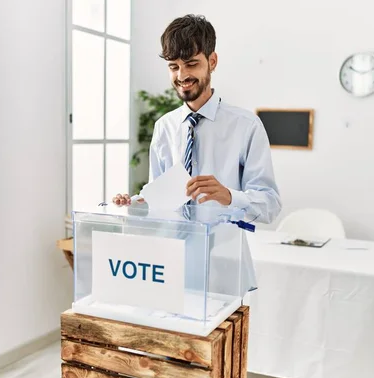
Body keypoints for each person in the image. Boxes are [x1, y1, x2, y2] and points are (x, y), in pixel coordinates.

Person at [113, 14, 281, 224]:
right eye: (173, 67)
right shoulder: (164, 127)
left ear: (212, 61)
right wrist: (134, 204)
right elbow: (158, 202)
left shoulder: (247, 126)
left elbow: (270, 206)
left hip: (224, 253)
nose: (182, 76)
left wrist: (228, 196)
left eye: (191, 64)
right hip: (174, 253)